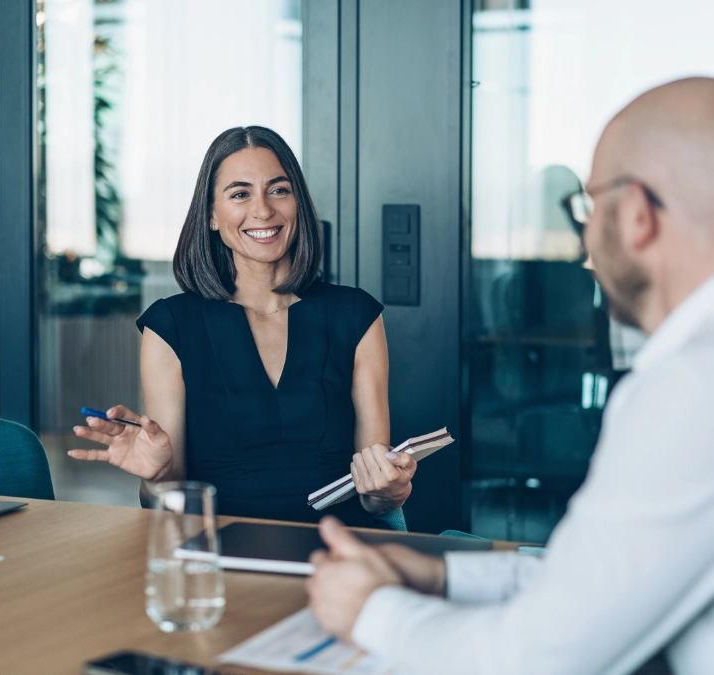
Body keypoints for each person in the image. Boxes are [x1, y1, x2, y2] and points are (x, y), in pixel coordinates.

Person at [305, 77, 714, 674]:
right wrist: (440, 575)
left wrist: (372, 611)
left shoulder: (689, 390)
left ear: (636, 216)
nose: (583, 239)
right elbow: (593, 582)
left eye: (587, 208)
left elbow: (539, 659)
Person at [70, 126, 415, 528]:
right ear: (213, 216)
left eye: (279, 190)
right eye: (240, 194)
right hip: (219, 554)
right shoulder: (170, 327)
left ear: (298, 204)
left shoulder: (357, 316)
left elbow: (377, 498)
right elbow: (166, 500)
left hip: (338, 551)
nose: (263, 210)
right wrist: (159, 477)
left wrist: (392, 488)